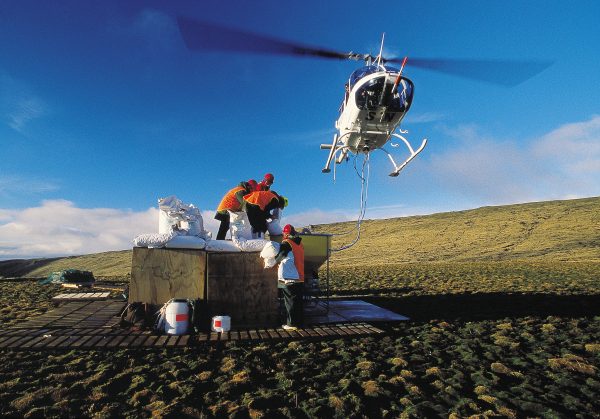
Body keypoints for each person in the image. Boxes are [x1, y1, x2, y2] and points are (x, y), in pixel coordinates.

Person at [275, 224, 304, 330]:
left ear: (286, 234)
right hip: (299, 277)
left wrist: (272, 259)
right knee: (297, 302)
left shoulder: (286, 243)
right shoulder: (300, 244)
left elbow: (279, 257)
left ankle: (291, 324)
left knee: (289, 302)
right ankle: (299, 322)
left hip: (289, 277)